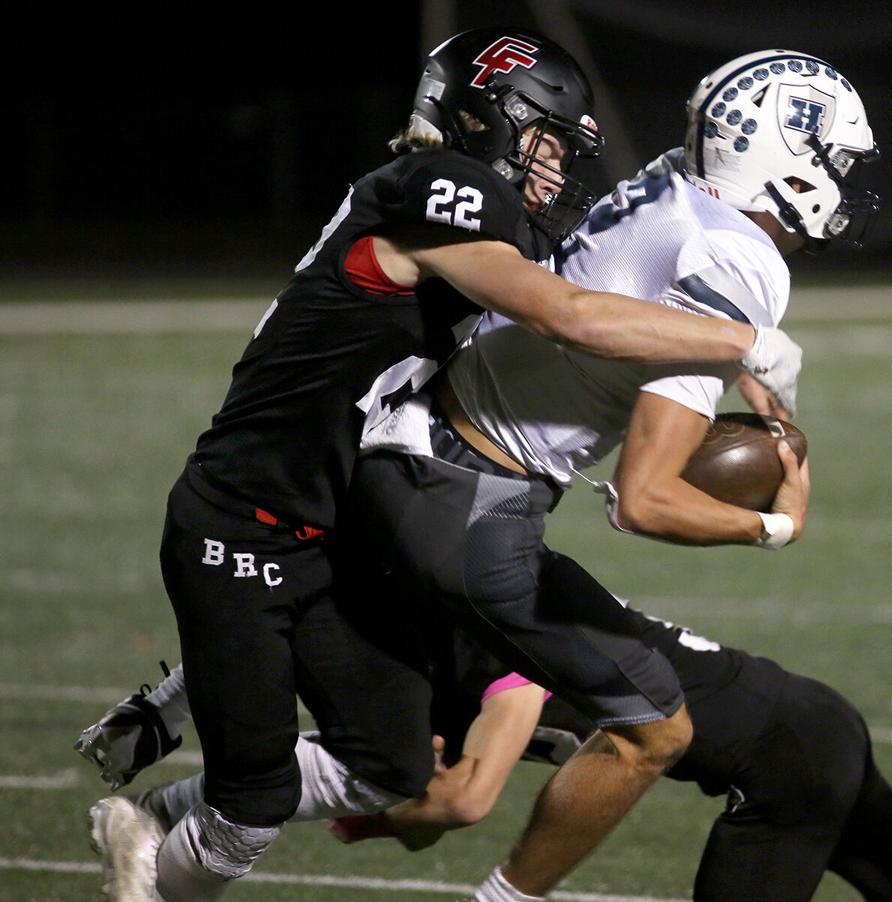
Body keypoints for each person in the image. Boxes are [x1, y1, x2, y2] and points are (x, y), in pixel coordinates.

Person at [80, 28, 808, 902]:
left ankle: (165, 746)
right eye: (545, 143)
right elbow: (571, 315)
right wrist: (742, 340)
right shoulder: (442, 188)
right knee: (253, 805)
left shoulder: (455, 198)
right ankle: (155, 833)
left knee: (390, 760)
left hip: (336, 512)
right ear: (487, 117)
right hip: (248, 517)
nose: (553, 171)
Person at [323, 556, 892, 902]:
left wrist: (365, 809)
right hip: (812, 720)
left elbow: (465, 801)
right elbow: (436, 809)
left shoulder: (488, 645)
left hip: (783, 768)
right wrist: (388, 815)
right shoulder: (483, 610)